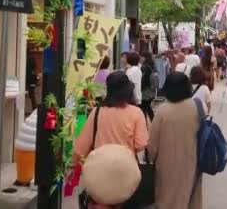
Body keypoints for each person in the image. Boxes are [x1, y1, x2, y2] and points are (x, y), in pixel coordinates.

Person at [73, 72, 149, 208]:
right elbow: (141, 143)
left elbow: (80, 149)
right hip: (124, 173)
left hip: (99, 174)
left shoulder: (96, 112)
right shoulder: (136, 113)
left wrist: (73, 171)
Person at [148, 72, 202, 209]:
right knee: (190, 198)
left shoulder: (162, 112)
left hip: (167, 165)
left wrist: (151, 158)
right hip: (192, 162)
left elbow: (152, 146)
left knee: (167, 199)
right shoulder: (197, 106)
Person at [140, 52, 158, 121]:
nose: (140, 58)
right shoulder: (152, 66)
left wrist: (140, 89)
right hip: (151, 91)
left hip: (145, 92)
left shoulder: (145, 67)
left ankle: (145, 125)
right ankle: (153, 122)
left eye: (141, 57)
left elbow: (144, 81)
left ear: (145, 58)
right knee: (147, 107)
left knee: (143, 108)